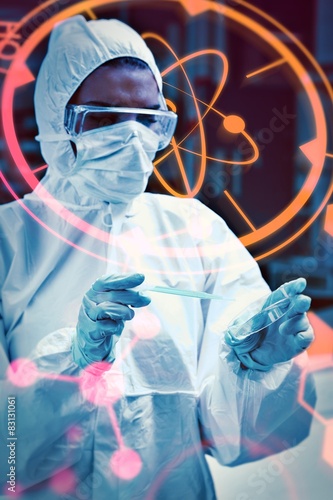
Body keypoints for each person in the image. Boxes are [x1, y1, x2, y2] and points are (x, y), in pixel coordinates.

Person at [0, 15, 315, 500]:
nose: (132, 138)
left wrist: (255, 371)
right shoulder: (8, 241)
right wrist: (71, 370)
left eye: (148, 119)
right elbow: (7, 454)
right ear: (55, 122)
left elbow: (228, 439)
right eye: (103, 118)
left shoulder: (196, 231)